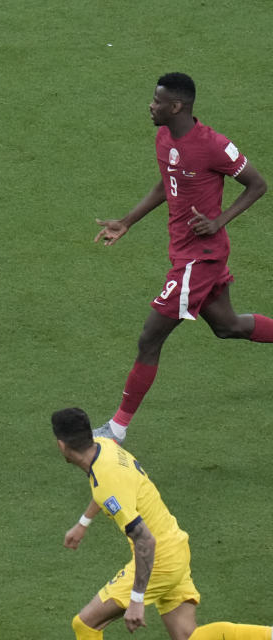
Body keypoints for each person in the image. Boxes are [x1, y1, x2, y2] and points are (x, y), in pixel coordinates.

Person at [93, 72, 271, 443]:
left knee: (149, 338)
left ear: (177, 106)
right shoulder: (164, 137)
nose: (151, 105)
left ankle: (117, 429)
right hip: (186, 255)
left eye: (157, 101)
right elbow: (167, 182)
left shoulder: (214, 146)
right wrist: (128, 221)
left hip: (199, 259)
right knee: (228, 326)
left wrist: (219, 220)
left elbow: (257, 184)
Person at [53, 407, 271, 640]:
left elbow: (144, 539)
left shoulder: (106, 482)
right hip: (176, 545)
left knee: (85, 624)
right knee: (188, 637)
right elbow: (109, 490)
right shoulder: (104, 445)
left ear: (62, 445)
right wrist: (83, 523)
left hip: (160, 560)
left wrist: (137, 600)